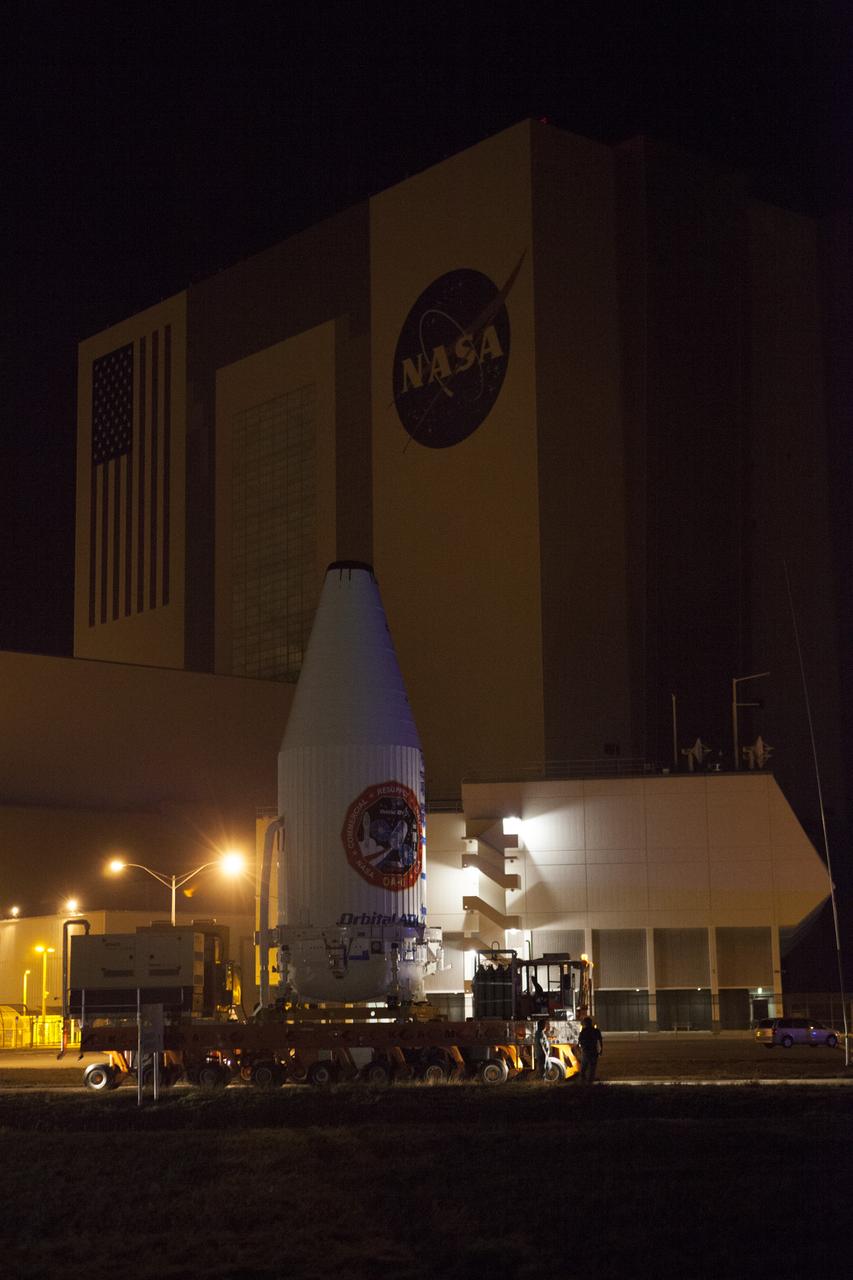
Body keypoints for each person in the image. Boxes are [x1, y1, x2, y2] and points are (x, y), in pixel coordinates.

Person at [577, 1016, 603, 1085]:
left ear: (585, 1023)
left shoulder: (583, 1031)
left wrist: (580, 1049)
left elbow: (579, 1041)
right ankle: (590, 1081)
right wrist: (601, 1050)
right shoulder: (596, 1031)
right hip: (593, 1051)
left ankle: (584, 1081)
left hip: (586, 1052)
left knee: (584, 1068)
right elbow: (600, 1041)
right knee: (592, 1067)